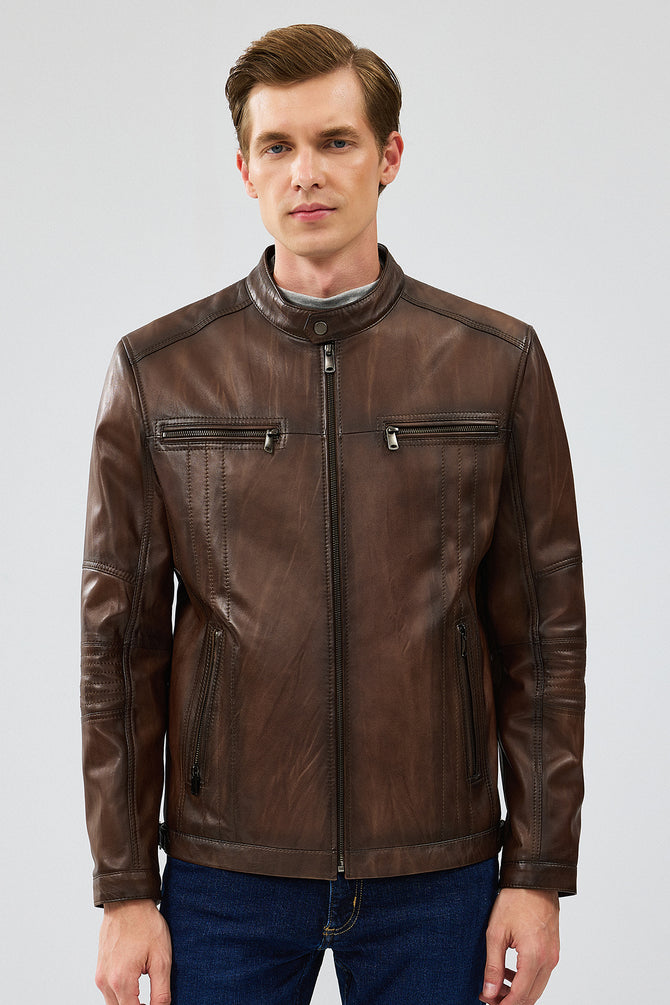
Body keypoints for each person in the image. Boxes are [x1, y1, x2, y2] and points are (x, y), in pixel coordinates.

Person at [81, 23, 586, 1005]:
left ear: (388, 155)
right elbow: (117, 648)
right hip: (225, 875)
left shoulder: (495, 364)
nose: (305, 172)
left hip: (437, 873)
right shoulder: (160, 372)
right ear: (244, 170)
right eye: (277, 146)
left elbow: (544, 638)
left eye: (335, 141)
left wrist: (537, 872)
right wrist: (124, 887)